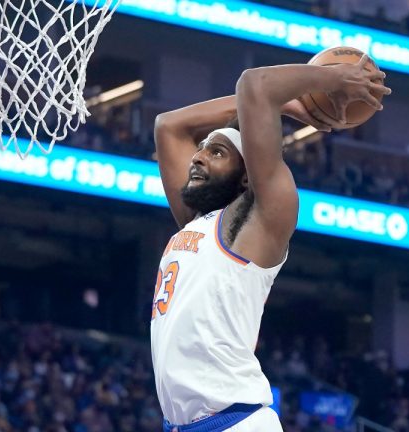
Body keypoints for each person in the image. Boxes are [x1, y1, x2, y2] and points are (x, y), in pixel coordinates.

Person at [150, 55, 391, 431]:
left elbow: (255, 85)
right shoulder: (195, 222)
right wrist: (287, 105)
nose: (197, 158)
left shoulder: (258, 221)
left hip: (236, 421)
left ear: (248, 178)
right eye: (202, 149)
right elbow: (170, 126)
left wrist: (330, 78)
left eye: (216, 152)